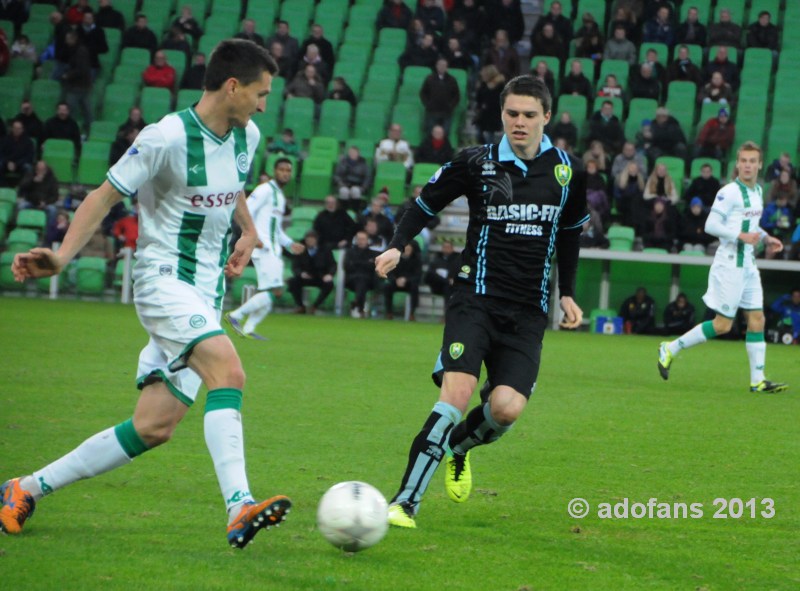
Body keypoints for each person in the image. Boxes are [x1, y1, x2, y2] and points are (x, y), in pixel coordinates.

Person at [2, 39, 294, 547]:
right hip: (163, 280)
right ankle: (239, 506)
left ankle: (22, 489)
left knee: (153, 426)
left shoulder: (248, 135)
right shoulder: (166, 137)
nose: (265, 103)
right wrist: (63, 255)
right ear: (232, 87)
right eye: (261, 93)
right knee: (230, 370)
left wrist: (248, 231)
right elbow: (105, 193)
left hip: (206, 294)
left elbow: (234, 186)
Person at [374, 75, 588, 528]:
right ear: (502, 115)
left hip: (528, 311)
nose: (520, 123)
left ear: (546, 117)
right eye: (512, 114)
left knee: (506, 408)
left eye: (530, 115)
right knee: (457, 392)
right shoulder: (476, 162)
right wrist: (398, 243)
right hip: (475, 298)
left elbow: (570, 235)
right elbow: (425, 202)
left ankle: (459, 448)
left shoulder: (568, 171)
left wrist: (568, 292)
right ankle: (405, 502)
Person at [658, 141, 788, 393]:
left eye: (753, 161)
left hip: (748, 263)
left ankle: (757, 381)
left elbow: (750, 226)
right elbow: (710, 225)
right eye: (744, 161)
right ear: (737, 164)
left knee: (757, 319)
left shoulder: (757, 191)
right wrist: (740, 236)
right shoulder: (728, 192)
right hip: (730, 264)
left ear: (760, 165)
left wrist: (765, 237)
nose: (748, 165)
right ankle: (670, 348)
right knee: (722, 325)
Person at [226, 158, 304, 339]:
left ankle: (248, 329)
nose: (285, 173)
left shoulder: (280, 196)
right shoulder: (264, 190)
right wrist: (253, 237)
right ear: (274, 171)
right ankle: (235, 315)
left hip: (273, 248)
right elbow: (245, 212)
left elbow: (275, 228)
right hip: (264, 247)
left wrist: (289, 244)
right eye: (282, 169)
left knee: (273, 291)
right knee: (274, 290)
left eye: (288, 170)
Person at [287, 229, 336, 314]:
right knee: (293, 282)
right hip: (305, 276)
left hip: (321, 276)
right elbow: (295, 265)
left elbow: (333, 264)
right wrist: (301, 274)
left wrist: (329, 275)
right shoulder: (300, 249)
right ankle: (300, 306)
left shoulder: (325, 249)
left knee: (329, 284)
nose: (310, 242)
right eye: (308, 240)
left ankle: (315, 306)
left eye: (312, 239)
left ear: (316, 240)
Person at [420, 58, 460, 135]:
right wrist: (428, 104)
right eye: (440, 65)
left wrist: (451, 106)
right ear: (436, 66)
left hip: (446, 112)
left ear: (447, 67)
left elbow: (456, 96)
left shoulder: (452, 80)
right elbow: (423, 93)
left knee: (445, 133)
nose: (442, 67)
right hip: (432, 111)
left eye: (444, 65)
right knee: (430, 132)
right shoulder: (430, 78)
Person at [384, 240, 422, 320]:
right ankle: (389, 312)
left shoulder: (417, 260)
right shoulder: (395, 258)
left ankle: (412, 313)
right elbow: (389, 272)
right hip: (396, 282)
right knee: (387, 287)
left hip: (409, 283)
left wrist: (406, 279)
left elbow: (418, 275)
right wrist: (396, 280)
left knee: (414, 287)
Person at [345, 230, 378, 318]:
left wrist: (356, 263)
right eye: (359, 239)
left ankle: (357, 304)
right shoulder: (350, 252)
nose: (361, 241)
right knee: (361, 281)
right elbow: (347, 266)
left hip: (369, 281)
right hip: (352, 280)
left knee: (362, 281)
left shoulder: (373, 253)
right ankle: (360, 307)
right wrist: (366, 263)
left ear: (367, 240)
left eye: (363, 239)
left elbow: (373, 267)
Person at [424, 239, 460, 304]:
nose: (446, 249)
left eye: (448, 247)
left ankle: (447, 311)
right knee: (432, 274)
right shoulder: (436, 260)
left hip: (450, 287)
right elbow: (430, 275)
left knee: (448, 286)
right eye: (444, 247)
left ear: (452, 249)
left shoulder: (456, 260)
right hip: (437, 285)